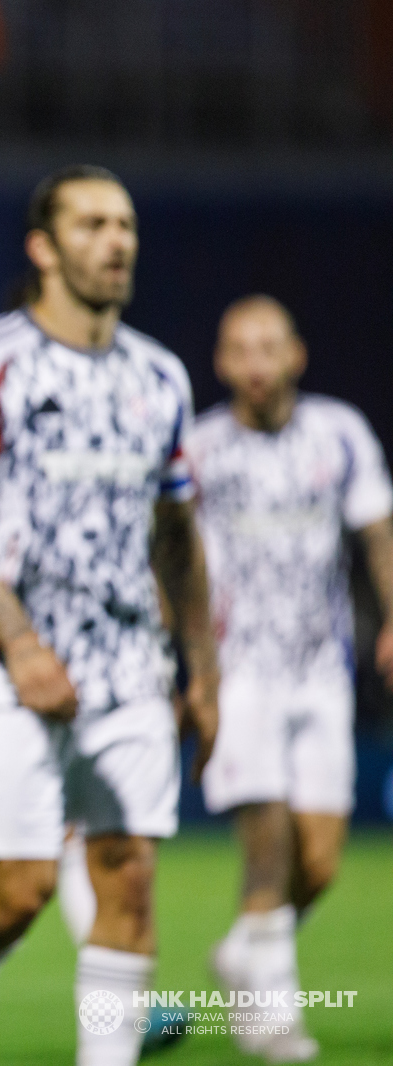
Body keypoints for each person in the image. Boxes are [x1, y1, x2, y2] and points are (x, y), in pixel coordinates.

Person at [0, 164, 220, 1066]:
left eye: (123, 224)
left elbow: (176, 531)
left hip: (130, 670)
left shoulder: (159, 375)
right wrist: (22, 646)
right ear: (44, 247)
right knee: (18, 888)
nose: (115, 240)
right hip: (8, 672)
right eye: (90, 224)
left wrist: (203, 666)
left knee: (128, 879)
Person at [187, 295, 393, 1063]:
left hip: (321, 672)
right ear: (221, 362)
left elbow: (378, 531)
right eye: (240, 349)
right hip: (239, 671)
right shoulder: (200, 450)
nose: (255, 364)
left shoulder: (337, 435)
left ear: (296, 355)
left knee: (322, 860)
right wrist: (186, 663)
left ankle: (246, 947)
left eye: (268, 347)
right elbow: (172, 558)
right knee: (267, 842)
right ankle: (273, 1016)